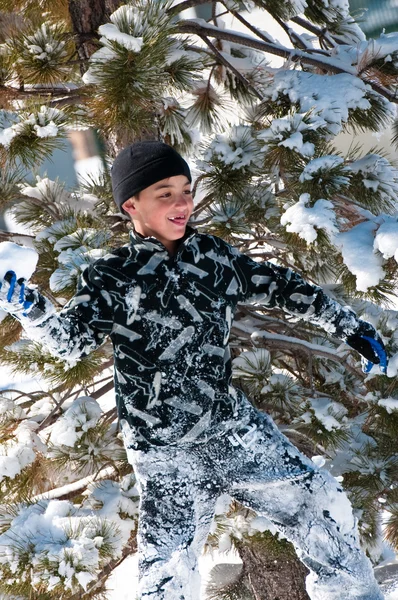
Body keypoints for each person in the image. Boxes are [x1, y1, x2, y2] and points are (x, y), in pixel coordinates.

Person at [0, 141, 388, 600]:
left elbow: (279, 284)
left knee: (317, 504)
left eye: (185, 189)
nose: (182, 202)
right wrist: (31, 308)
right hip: (165, 452)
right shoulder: (113, 276)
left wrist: (347, 325)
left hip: (232, 430)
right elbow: (72, 341)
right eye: (164, 193)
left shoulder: (212, 258)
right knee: (166, 572)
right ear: (131, 205)